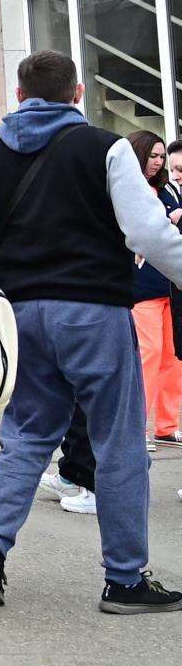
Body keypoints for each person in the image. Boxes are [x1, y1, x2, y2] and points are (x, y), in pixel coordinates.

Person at [0, 50, 182, 614]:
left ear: (19, 96)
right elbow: (147, 230)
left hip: (18, 315)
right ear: (78, 95)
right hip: (93, 310)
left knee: (26, 435)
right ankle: (124, 580)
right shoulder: (106, 147)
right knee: (119, 443)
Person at [127, 133, 182, 446]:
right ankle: (139, 427)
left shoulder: (165, 189)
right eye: (153, 155)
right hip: (141, 285)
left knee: (173, 357)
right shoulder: (127, 187)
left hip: (169, 283)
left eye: (161, 156)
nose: (158, 162)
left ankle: (167, 423)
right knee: (147, 356)